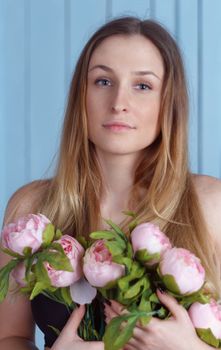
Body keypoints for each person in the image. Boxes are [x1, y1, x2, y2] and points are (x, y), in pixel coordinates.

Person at [0, 15, 221, 350]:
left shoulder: (211, 205)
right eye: (103, 81)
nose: (119, 102)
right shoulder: (30, 209)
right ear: (81, 96)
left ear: (168, 105)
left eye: (142, 86)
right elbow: (10, 338)